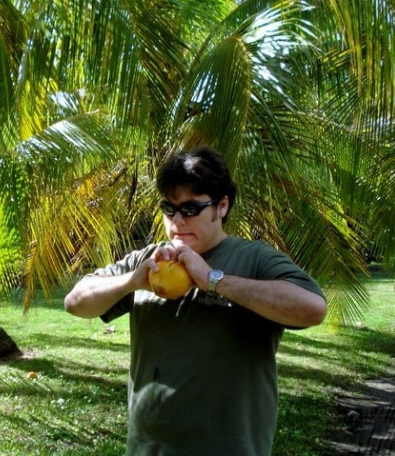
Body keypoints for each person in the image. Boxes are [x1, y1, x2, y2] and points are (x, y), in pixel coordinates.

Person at [64, 146, 327, 456]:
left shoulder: (254, 258)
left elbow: (313, 308)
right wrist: (133, 280)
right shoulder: (148, 260)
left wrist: (215, 281)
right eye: (169, 208)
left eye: (191, 208)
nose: (178, 220)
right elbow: (75, 302)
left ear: (222, 206)